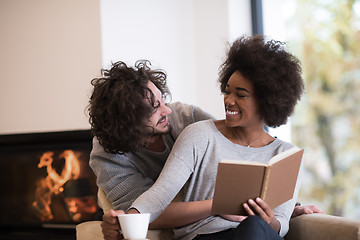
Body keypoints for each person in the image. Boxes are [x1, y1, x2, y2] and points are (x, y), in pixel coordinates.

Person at [87, 52, 323, 240]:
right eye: (227, 91)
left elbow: (276, 222)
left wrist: (285, 210)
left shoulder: (186, 118)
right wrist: (126, 220)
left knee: (255, 227)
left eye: (240, 94)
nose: (167, 110)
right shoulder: (197, 134)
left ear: (267, 100)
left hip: (254, 232)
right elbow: (155, 199)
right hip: (205, 233)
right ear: (128, 123)